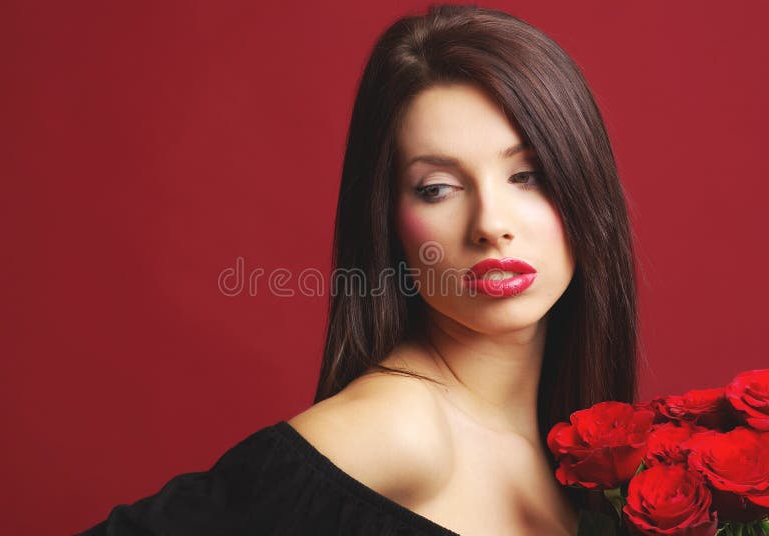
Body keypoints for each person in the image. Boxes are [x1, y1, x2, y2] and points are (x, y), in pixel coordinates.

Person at [77, 4, 638, 535]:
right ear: (389, 221)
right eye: (437, 188)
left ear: (586, 183)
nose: (491, 224)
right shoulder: (395, 430)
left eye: (527, 175)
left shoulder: (568, 453)